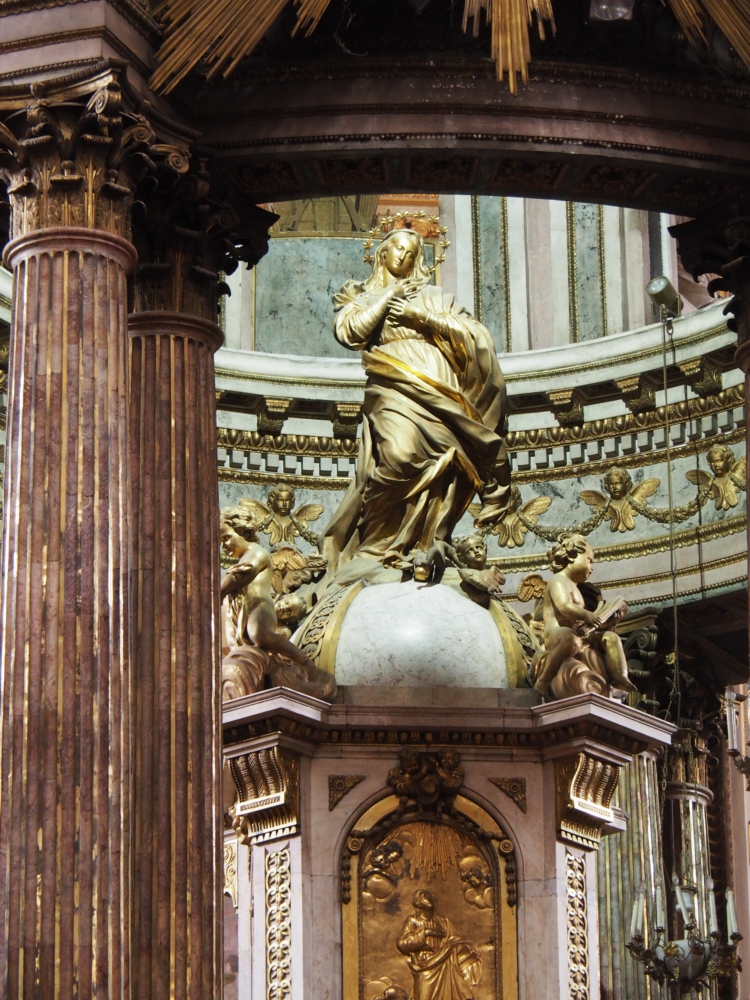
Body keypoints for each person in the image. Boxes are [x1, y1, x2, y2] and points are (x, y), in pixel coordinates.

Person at [321, 226, 510, 580]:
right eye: (398, 248)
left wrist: (420, 317)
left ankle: (423, 543)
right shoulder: (360, 295)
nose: (404, 257)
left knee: (444, 461)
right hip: (391, 381)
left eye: (412, 253)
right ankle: (376, 546)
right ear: (381, 252)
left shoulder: (434, 296)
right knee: (399, 455)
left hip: (440, 387)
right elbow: (350, 332)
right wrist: (388, 297)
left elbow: (476, 336)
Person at [532, 532, 634, 699]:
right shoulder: (558, 580)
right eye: (589, 560)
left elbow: (584, 621)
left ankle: (619, 678)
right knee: (572, 642)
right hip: (557, 633)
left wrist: (609, 621)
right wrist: (588, 616)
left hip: (578, 632)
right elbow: (564, 606)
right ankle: (544, 679)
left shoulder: (576, 587)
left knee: (610, 638)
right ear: (572, 556)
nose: (592, 567)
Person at [397, 889, 482, 1000]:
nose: (428, 898)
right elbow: (402, 944)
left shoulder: (443, 922)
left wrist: (453, 947)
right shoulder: (413, 921)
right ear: (417, 903)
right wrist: (425, 933)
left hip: (444, 962)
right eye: (424, 896)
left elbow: (455, 939)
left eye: (430, 896)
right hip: (423, 964)